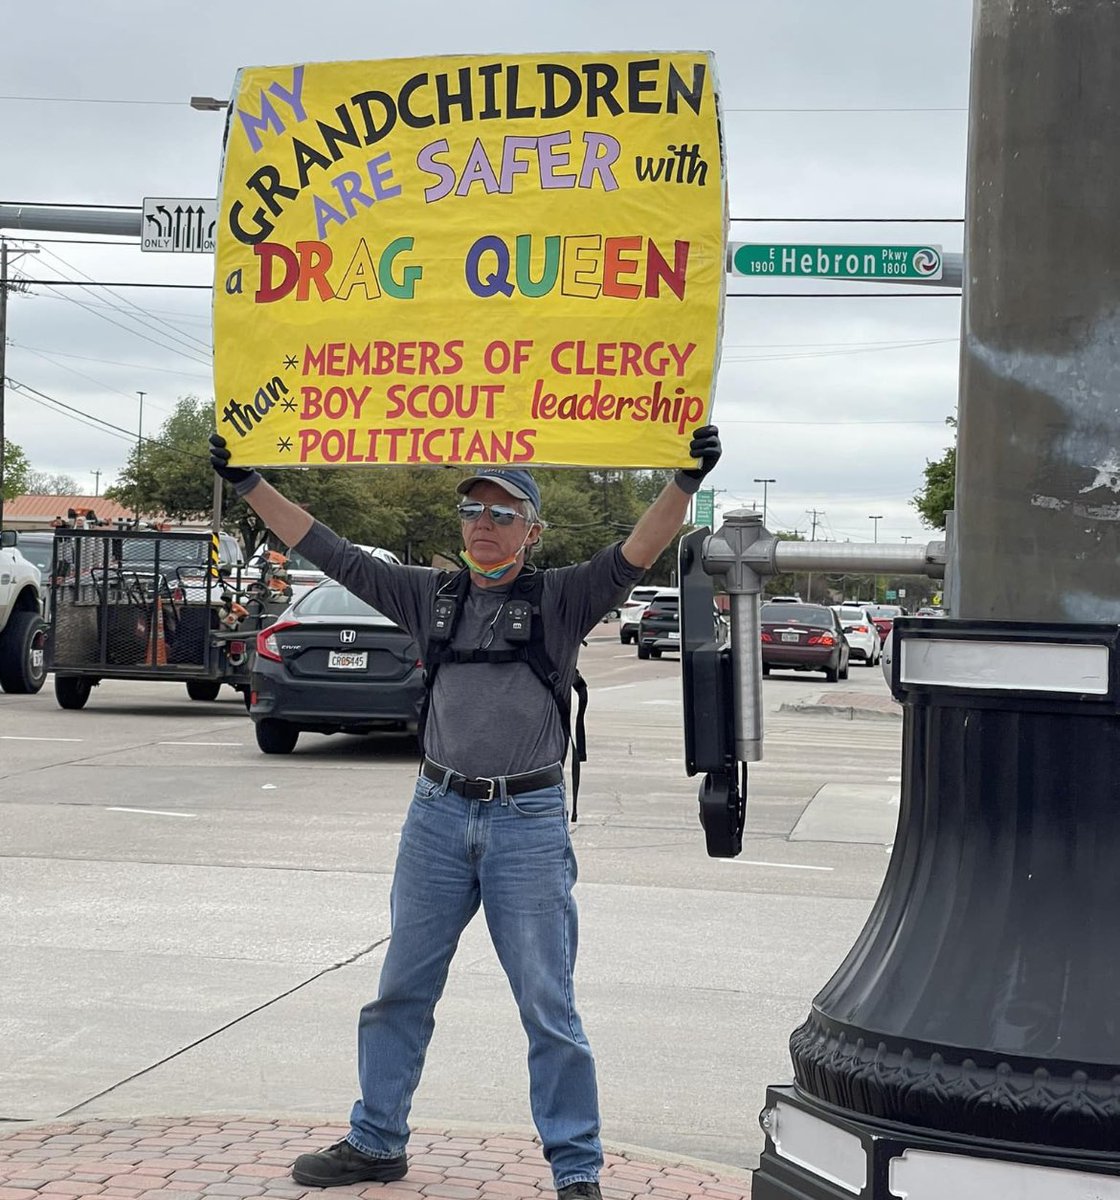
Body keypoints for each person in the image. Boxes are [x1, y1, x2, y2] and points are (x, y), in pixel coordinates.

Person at [209, 427, 722, 1198]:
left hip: (528, 823)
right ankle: (377, 1140)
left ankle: (576, 1169)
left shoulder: (562, 598)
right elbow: (334, 551)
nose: (484, 523)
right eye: (473, 509)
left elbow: (635, 555)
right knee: (399, 991)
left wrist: (683, 482)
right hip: (437, 818)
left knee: (548, 1006)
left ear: (534, 530)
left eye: (503, 512)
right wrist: (250, 483)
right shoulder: (429, 595)